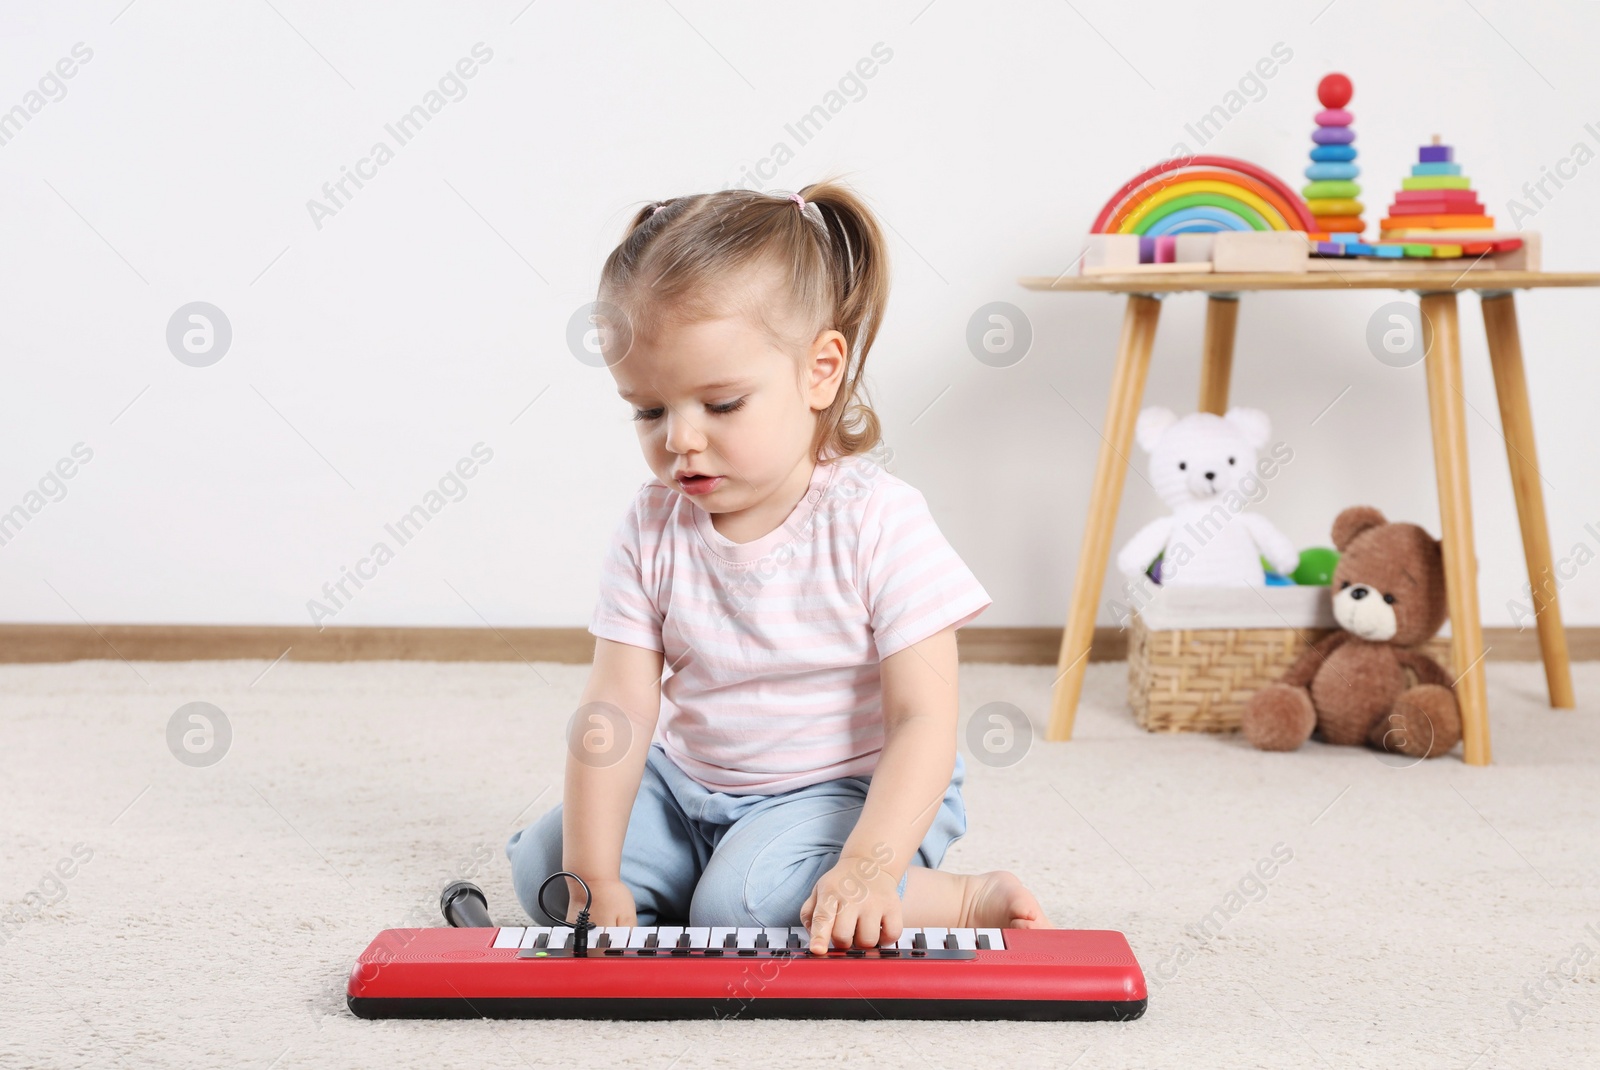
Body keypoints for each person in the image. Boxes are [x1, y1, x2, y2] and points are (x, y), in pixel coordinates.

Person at [506, 180, 1049, 953]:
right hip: (691, 787)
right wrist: (593, 873)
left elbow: (922, 722)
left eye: (721, 405)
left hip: (852, 798)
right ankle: (701, 881)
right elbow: (618, 709)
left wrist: (867, 865)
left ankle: (952, 899)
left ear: (820, 371)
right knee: (545, 870)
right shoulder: (652, 524)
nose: (680, 440)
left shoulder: (877, 519)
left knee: (749, 905)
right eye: (649, 410)